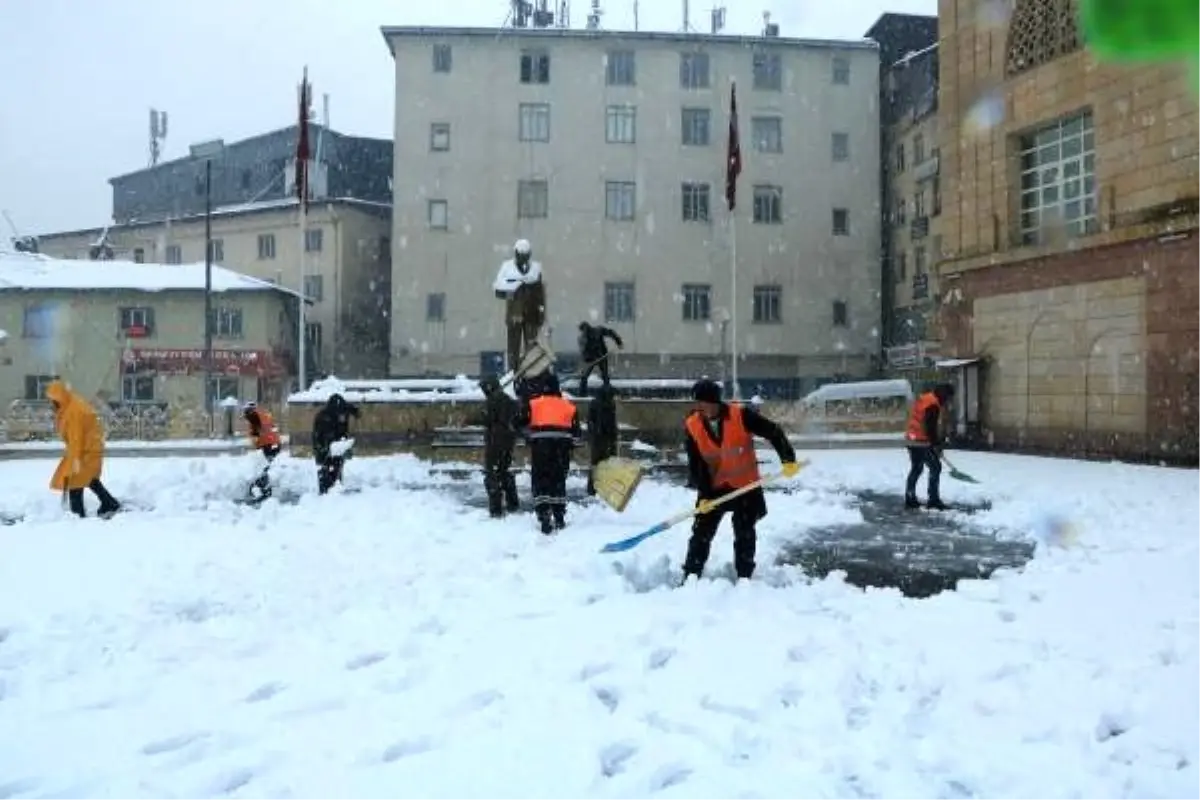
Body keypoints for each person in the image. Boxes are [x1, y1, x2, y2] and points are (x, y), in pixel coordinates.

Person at [681, 378, 800, 583]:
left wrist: (788, 459)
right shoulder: (693, 425)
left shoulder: (740, 415)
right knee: (701, 532)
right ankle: (691, 575)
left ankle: (744, 576)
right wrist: (703, 494)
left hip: (745, 486)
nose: (702, 408)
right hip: (714, 487)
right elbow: (696, 463)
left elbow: (773, 432)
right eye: (698, 404)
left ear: (716, 402)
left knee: (744, 532)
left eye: (705, 403)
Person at [45, 380, 122, 518]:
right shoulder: (70, 405)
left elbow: (76, 438)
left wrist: (74, 459)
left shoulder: (74, 411)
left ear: (59, 397)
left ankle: (77, 515)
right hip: (89, 447)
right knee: (89, 479)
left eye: (53, 400)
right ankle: (109, 503)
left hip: (87, 450)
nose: (51, 404)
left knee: (76, 481)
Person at [517, 373, 581, 534]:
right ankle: (559, 516)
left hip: (540, 449)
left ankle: (544, 515)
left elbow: (518, 423)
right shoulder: (569, 406)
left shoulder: (533, 404)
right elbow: (577, 433)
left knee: (541, 481)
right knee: (558, 481)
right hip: (561, 450)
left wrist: (528, 436)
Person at [493, 238, 546, 374]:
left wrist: (541, 313)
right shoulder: (507, 267)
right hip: (514, 314)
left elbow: (540, 294)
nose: (523, 258)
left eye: (526, 255)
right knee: (513, 349)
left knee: (531, 348)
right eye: (521, 255)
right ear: (516, 254)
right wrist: (514, 287)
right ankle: (513, 374)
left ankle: (530, 374)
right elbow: (498, 290)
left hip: (532, 315)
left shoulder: (536, 269)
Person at [904, 383, 955, 510]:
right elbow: (930, 427)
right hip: (920, 441)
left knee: (917, 468)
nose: (948, 401)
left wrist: (934, 443)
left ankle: (910, 498)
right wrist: (936, 445)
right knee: (935, 467)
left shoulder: (926, 398)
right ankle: (933, 500)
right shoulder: (932, 404)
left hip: (912, 438)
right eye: (948, 398)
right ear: (944, 394)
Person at [477, 374, 520, 517]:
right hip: (508, 442)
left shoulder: (492, 401)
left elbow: (488, 419)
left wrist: (476, 418)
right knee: (503, 471)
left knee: (492, 475)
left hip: (495, 442)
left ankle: (496, 509)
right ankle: (513, 503)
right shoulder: (510, 401)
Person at [311, 392, 360, 495]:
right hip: (324, 447)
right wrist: (323, 449)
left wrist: (355, 412)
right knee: (326, 469)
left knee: (338, 466)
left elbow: (352, 410)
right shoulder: (323, 417)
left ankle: (337, 487)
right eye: (340, 413)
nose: (342, 416)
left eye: (343, 413)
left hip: (338, 446)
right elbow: (317, 437)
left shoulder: (343, 410)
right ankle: (325, 492)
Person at [586, 383, 619, 496]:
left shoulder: (597, 402)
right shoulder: (605, 404)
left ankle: (594, 488)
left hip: (599, 438)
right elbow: (608, 422)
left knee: (597, 463)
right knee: (605, 462)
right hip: (604, 438)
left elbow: (591, 421)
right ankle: (602, 487)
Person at [243, 401, 282, 500]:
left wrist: (255, 440)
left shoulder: (254, 415)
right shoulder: (263, 414)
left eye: (246, 411)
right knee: (266, 467)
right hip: (274, 444)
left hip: (267, 444)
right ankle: (265, 488)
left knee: (264, 468)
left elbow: (256, 433)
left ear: (249, 410)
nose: (245, 414)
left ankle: (263, 489)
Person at [576, 321, 623, 396]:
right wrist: (586, 360)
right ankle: (582, 394)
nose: (583, 332)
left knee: (604, 375)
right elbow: (584, 351)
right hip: (591, 358)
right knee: (585, 376)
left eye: (583, 330)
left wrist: (618, 342)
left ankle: (607, 392)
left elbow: (610, 333)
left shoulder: (598, 330)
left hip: (601, 356)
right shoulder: (583, 338)